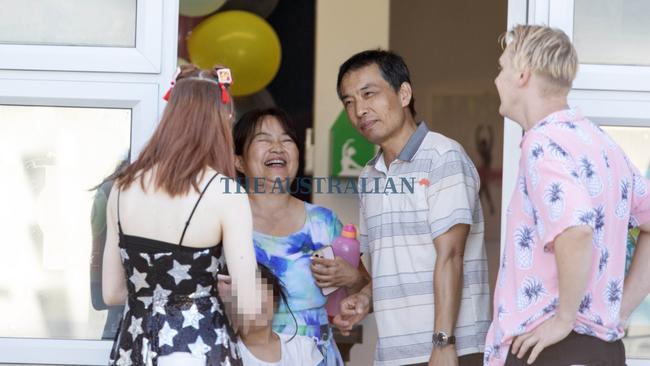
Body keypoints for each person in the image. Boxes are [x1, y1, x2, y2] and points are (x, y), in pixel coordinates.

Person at [484, 25, 650, 366]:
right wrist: (620, 310)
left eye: (501, 68)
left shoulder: (542, 143)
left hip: (547, 348)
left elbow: (576, 230)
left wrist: (564, 319)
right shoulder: (602, 144)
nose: (496, 80)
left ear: (522, 74)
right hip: (601, 349)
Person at [334, 50, 490, 366]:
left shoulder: (443, 157)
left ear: (404, 93)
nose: (359, 110)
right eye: (348, 102)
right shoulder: (369, 176)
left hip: (449, 349)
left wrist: (444, 342)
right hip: (393, 353)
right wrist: (365, 298)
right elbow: (389, 268)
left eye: (368, 94)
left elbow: (451, 255)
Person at [102, 64, 260, 366]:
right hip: (198, 347)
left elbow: (112, 293)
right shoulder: (225, 193)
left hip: (134, 348)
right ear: (222, 119)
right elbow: (249, 308)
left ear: (170, 116)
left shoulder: (122, 187)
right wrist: (218, 292)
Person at [232, 107, 370, 366]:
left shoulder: (324, 223)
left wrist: (352, 279)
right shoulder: (227, 222)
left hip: (316, 357)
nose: (277, 147)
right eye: (263, 139)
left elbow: (366, 290)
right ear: (239, 161)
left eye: (286, 140)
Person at [237, 264, 324, 366]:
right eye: (243, 296)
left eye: (258, 292)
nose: (253, 303)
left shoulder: (303, 347)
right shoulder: (226, 352)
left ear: (276, 300)